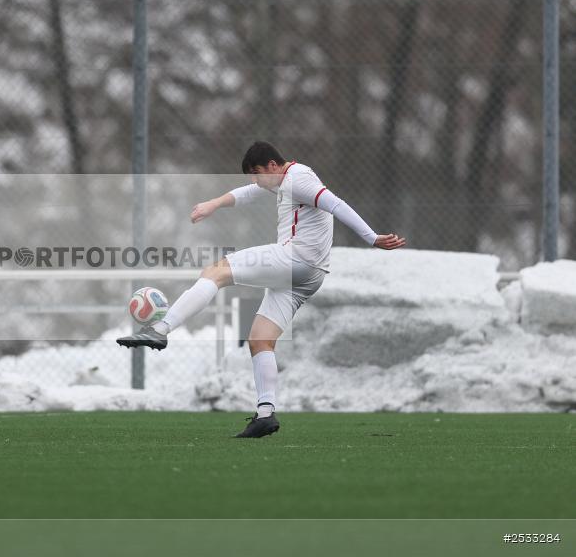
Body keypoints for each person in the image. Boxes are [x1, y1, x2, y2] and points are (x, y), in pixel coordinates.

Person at [117, 141, 405, 438]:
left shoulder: (298, 178)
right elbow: (249, 193)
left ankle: (160, 330)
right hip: (310, 275)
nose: (255, 181)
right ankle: (266, 414)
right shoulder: (282, 180)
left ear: (271, 165)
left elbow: (335, 204)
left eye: (256, 173)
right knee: (260, 340)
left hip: (295, 259)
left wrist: (372, 238)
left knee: (215, 272)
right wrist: (213, 204)